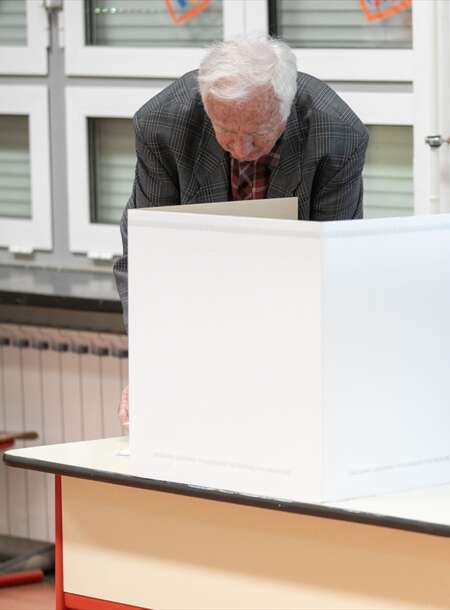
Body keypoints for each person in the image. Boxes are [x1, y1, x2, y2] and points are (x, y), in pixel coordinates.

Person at [114, 35, 369, 424]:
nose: (241, 148)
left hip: (292, 310)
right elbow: (147, 256)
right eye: (226, 131)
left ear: (285, 107)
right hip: (196, 301)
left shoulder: (336, 134)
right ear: (207, 108)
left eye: (257, 132)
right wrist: (151, 362)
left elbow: (333, 266)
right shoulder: (164, 123)